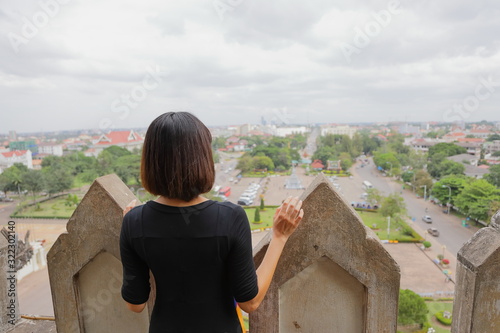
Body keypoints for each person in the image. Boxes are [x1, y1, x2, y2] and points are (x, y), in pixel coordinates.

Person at [120, 112, 304, 333]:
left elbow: (135, 304)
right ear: (202, 158)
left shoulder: (134, 221)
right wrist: (279, 237)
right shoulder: (229, 217)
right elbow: (250, 302)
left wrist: (135, 227)